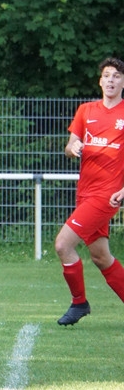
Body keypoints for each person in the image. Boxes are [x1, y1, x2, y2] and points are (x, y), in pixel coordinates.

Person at [55, 57, 124, 325]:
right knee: (101, 256)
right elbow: (70, 145)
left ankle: (79, 303)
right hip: (84, 192)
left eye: (116, 76)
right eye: (107, 75)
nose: (111, 80)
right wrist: (72, 148)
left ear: (122, 82)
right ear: (100, 81)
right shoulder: (86, 110)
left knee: (63, 244)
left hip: (106, 195)